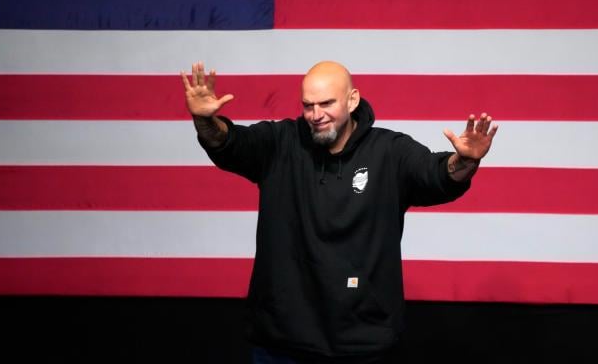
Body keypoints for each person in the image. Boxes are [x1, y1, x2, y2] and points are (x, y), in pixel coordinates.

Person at [181, 61, 498, 363]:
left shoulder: (390, 151)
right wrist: (205, 121)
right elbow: (229, 143)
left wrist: (466, 161)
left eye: (327, 104)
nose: (316, 115)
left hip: (361, 345)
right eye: (308, 105)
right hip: (280, 344)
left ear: (352, 100)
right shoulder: (279, 143)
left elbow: (439, 174)